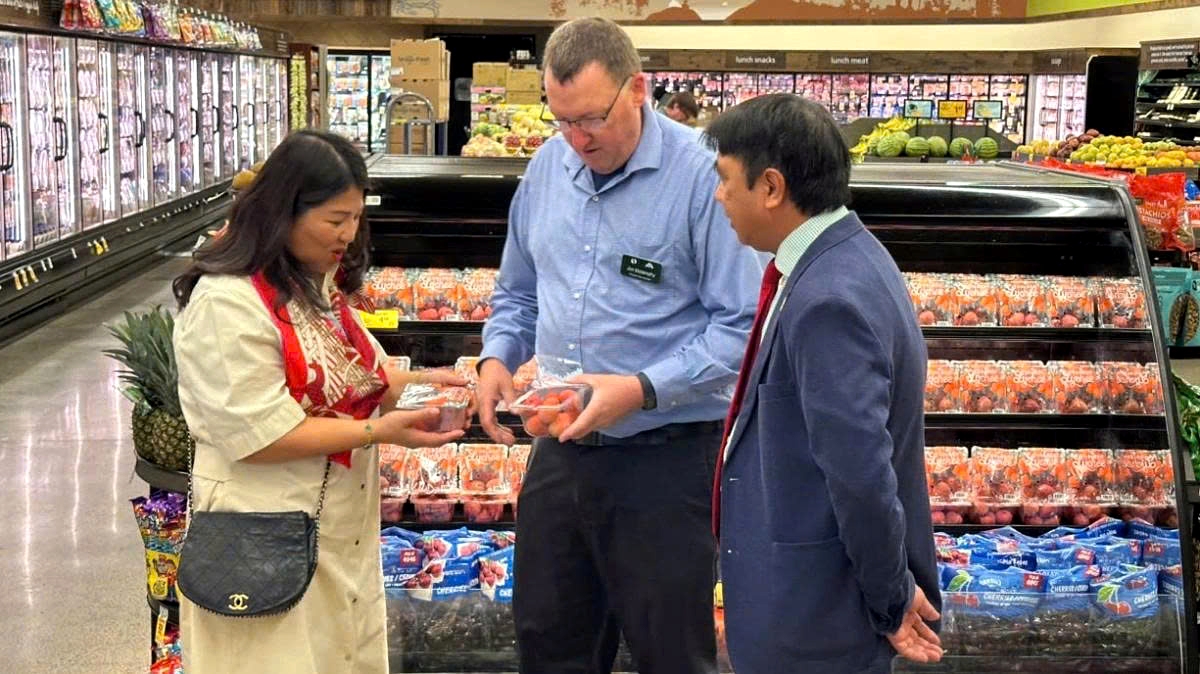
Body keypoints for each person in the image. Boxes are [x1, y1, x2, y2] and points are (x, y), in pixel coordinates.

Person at [476, 16, 760, 674]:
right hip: (561, 452)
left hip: (667, 462)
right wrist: (497, 356)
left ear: (639, 89)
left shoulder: (701, 177)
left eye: (591, 120)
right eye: (561, 120)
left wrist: (635, 390)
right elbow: (518, 292)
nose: (576, 140)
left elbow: (742, 327)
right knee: (550, 642)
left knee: (671, 652)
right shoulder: (548, 168)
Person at [172, 130, 467, 674]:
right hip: (261, 537)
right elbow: (260, 435)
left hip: (335, 532)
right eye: (335, 220)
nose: (349, 236)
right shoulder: (227, 303)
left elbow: (362, 381)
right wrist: (381, 432)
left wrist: (436, 383)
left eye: (356, 218)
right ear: (284, 211)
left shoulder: (314, 288)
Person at [705, 94, 942, 674]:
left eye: (725, 179)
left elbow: (861, 476)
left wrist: (890, 599)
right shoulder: (845, 256)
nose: (719, 196)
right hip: (813, 607)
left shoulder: (826, 299)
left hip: (816, 618)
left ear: (770, 187)